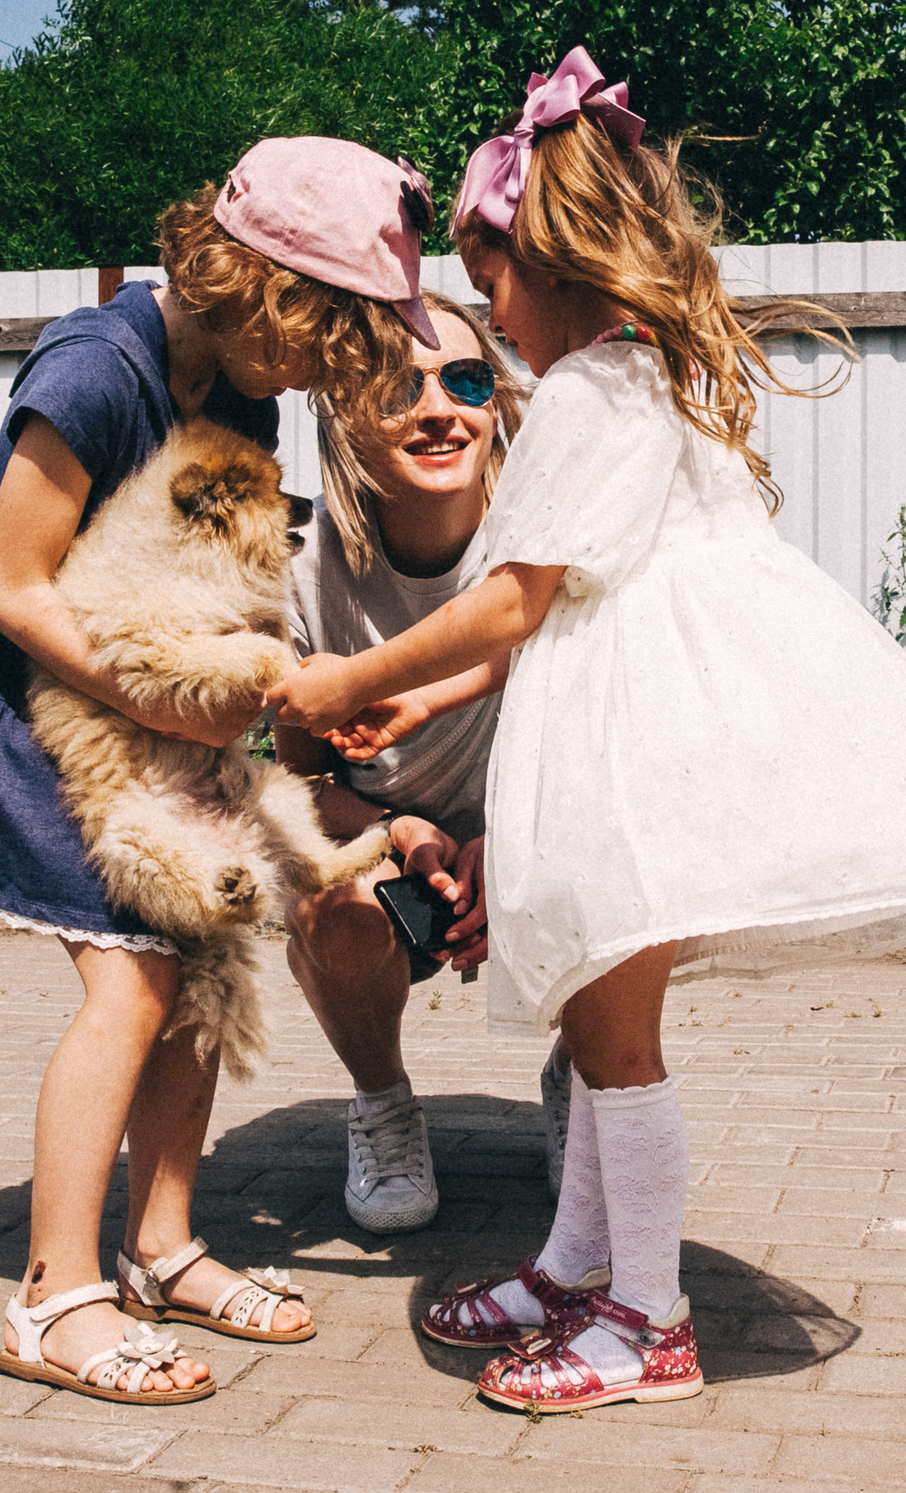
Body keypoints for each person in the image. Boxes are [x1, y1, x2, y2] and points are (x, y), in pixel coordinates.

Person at [269, 49, 906, 1412]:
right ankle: (575, 1261)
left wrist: (340, 687)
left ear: (550, 267)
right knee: (603, 1020)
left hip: (625, 749)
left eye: (491, 286)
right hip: (636, 727)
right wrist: (426, 695)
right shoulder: (646, 378)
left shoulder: (586, 394)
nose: (491, 319)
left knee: (617, 1044)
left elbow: (515, 595)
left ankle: (646, 1318)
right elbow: (566, 587)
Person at [0, 138, 442, 1404]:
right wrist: (168, 696)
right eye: (319, 342)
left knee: (201, 958)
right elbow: (15, 589)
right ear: (265, 291)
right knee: (129, 980)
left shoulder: (239, 391)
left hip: (136, 716)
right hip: (13, 710)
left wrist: (261, 684)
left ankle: (162, 1247)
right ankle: (53, 1300)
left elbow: (195, 578)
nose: (319, 377)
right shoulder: (91, 371)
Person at [269, 292, 562, 1234]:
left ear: (496, 405)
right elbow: (303, 783)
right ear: (347, 414)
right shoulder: (305, 569)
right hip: (395, 846)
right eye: (401, 386)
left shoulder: (546, 542)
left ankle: (591, 1075)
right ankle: (384, 1104)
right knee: (328, 902)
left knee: (633, 865)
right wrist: (395, 830)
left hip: (542, 826)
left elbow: (614, 736)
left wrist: (510, 837)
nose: (440, 408)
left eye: (467, 380)